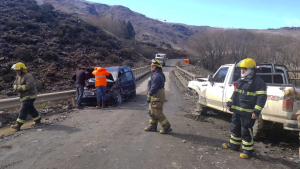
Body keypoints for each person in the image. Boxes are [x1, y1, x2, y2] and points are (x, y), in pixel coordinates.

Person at [222, 58, 267, 159]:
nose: (242, 71)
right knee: (235, 128)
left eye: (245, 69)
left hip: (248, 113)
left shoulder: (259, 82)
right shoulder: (240, 80)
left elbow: (261, 99)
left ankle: (247, 151)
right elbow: (235, 94)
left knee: (245, 130)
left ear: (251, 70)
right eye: (241, 69)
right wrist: (230, 102)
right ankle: (233, 145)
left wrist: (256, 111)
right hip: (237, 110)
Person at [10, 62, 42, 131]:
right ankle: (37, 119)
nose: (16, 72)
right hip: (24, 96)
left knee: (24, 109)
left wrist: (19, 88)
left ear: (22, 69)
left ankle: (18, 124)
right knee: (30, 109)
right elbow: (14, 84)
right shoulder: (18, 76)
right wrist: (16, 88)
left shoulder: (28, 76)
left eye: (17, 70)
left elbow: (29, 86)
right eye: (16, 70)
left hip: (30, 96)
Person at [144, 59, 172, 134]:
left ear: (157, 67)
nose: (151, 67)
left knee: (157, 112)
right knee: (152, 111)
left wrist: (150, 95)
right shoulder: (156, 74)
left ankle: (167, 127)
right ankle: (153, 126)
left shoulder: (157, 76)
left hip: (157, 94)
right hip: (155, 94)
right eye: (151, 66)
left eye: (153, 66)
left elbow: (154, 87)